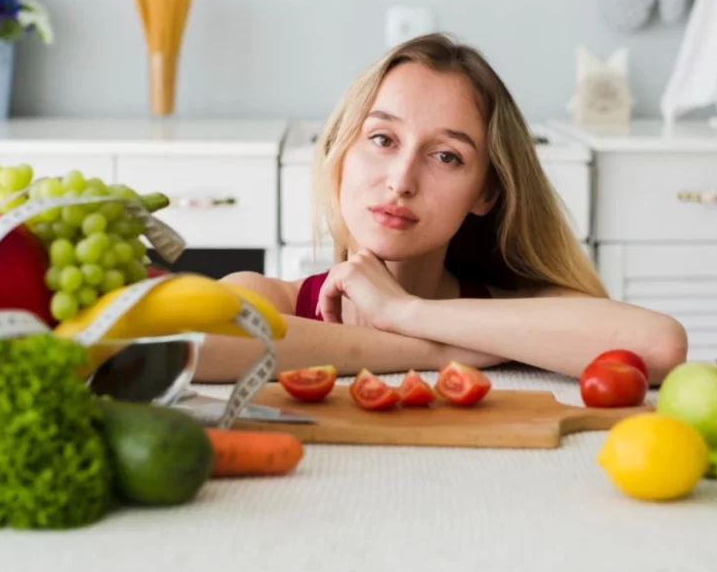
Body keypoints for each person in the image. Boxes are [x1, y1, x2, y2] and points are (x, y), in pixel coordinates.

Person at [196, 33, 687, 384]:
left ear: (486, 193)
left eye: (447, 156)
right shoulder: (272, 300)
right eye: (382, 138)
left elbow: (659, 346)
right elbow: (186, 344)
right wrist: (435, 347)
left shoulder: (517, 314)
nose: (401, 180)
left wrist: (403, 311)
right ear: (340, 151)